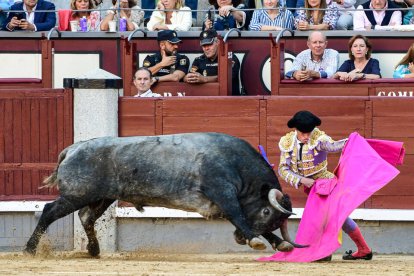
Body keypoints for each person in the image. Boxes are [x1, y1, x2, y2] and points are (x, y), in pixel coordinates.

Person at [278, 110, 373, 261]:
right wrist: (302, 180)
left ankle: (325, 252)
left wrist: (351, 140)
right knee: (336, 216)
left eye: (309, 133)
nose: (306, 137)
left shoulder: (319, 139)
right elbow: (283, 169)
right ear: (295, 129)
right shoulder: (287, 142)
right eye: (303, 133)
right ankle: (363, 249)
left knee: (329, 216)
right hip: (310, 187)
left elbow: (334, 146)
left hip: (325, 184)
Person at [184, 29, 241, 95]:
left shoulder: (230, 58)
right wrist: (187, 78)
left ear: (217, 42)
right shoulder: (199, 60)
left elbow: (228, 77)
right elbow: (189, 77)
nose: (206, 48)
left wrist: (205, 79)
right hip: (206, 100)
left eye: (209, 44)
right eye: (204, 45)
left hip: (229, 101)